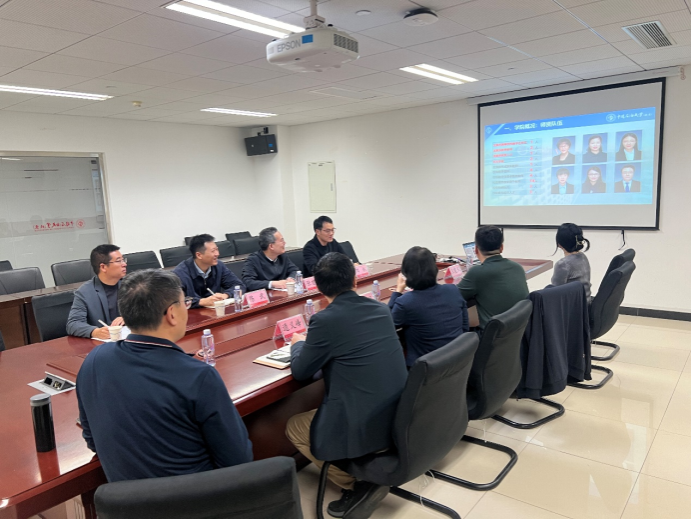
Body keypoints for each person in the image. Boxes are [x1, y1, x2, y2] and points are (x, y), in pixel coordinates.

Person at [76, 269, 253, 483]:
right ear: (171, 314)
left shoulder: (94, 359)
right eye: (185, 302)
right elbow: (238, 461)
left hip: (125, 497)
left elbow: (92, 439)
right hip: (199, 496)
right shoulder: (198, 376)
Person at [286, 253, 407, 519]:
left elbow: (302, 371)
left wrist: (298, 344)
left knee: (294, 426)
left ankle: (359, 484)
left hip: (364, 421)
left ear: (319, 289)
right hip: (399, 413)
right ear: (355, 280)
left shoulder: (324, 320)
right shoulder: (380, 309)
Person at [389, 247, 469, 367]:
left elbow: (387, 323)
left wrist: (397, 291)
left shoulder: (406, 302)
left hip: (426, 370)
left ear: (405, 273)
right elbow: (465, 328)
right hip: (459, 363)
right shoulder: (452, 290)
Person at [458, 226, 529, 330]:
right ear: (501, 247)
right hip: (517, 333)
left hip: (490, 335)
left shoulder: (478, 272)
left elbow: (454, 296)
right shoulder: (517, 268)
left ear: (476, 249)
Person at [66, 244, 127, 339]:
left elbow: (147, 311)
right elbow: (73, 324)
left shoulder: (131, 285)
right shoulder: (84, 292)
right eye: (119, 261)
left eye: (123, 260)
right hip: (102, 343)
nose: (124, 264)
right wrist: (94, 332)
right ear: (103, 267)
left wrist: (128, 318)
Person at [173, 234, 245, 308]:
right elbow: (175, 301)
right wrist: (201, 302)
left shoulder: (219, 266)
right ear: (199, 255)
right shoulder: (180, 273)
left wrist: (226, 295)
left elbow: (239, 285)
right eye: (213, 251)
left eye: (217, 249)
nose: (217, 254)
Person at [242, 227, 299, 291]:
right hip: (266, 295)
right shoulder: (253, 260)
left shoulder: (282, 256)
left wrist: (291, 278)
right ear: (271, 246)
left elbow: (295, 270)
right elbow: (248, 282)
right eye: (281, 241)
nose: (284, 243)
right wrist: (272, 284)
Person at [551, 223, 592, 300]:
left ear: (559, 244)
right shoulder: (583, 257)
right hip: (586, 302)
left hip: (572, 305)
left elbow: (555, 292)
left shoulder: (563, 264)